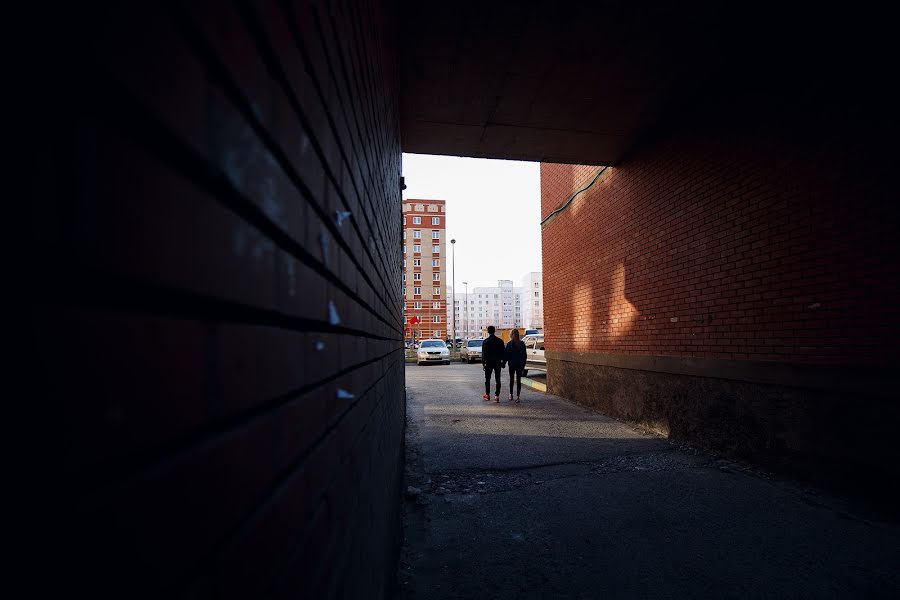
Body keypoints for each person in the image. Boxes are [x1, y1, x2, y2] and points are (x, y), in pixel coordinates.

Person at [481, 325, 505, 402]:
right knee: (498, 379)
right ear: (494, 331)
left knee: (487, 379)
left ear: (488, 332)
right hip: (497, 362)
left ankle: (487, 395)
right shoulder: (500, 341)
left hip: (488, 363)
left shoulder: (485, 342)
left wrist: (483, 363)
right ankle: (497, 396)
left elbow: (484, 354)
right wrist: (503, 362)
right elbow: (503, 353)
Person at [504, 329, 527, 403]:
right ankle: (518, 396)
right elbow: (524, 356)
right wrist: (523, 365)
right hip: (520, 364)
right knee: (518, 380)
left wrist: (503, 363)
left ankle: (511, 394)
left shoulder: (509, 344)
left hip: (512, 364)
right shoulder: (522, 344)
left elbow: (506, 355)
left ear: (511, 335)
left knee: (511, 379)